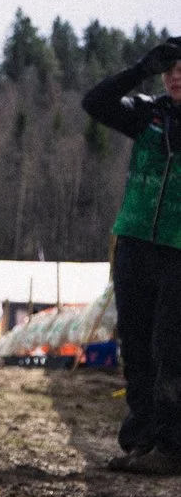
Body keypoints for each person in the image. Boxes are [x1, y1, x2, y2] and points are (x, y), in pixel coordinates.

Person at [83, 37, 181, 473]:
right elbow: (96, 101)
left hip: (178, 250)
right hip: (134, 241)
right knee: (136, 345)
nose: (175, 75)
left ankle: (171, 445)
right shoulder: (148, 113)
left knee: (170, 348)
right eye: (170, 68)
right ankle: (141, 439)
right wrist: (139, 68)